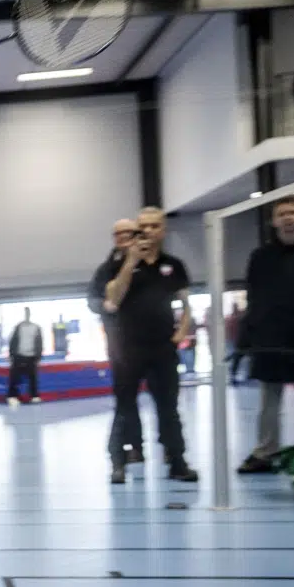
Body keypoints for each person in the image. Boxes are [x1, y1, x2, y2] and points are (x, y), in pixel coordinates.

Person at [101, 207, 197, 484]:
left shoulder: (173, 265)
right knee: (124, 407)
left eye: (154, 226)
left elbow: (186, 304)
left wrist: (181, 332)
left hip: (162, 348)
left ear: (163, 230)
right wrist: (131, 261)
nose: (148, 231)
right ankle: (118, 463)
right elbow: (112, 300)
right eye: (142, 227)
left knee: (169, 407)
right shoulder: (118, 263)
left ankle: (177, 461)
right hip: (127, 349)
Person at [237, 196, 294, 474]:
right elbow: (253, 298)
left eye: (293, 212)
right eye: (282, 214)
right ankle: (265, 453)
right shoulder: (260, 257)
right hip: (271, 340)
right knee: (269, 401)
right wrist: (247, 339)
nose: (288, 218)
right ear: (274, 222)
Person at [89, 218, 143, 461]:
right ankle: (131, 447)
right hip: (120, 345)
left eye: (127, 233)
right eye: (117, 234)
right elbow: (92, 299)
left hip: (151, 343)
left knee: (165, 400)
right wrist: (104, 305)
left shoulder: (149, 264)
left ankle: (171, 451)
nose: (122, 238)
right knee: (125, 398)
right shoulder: (105, 270)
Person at [7, 308, 44, 406]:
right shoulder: (18, 327)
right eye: (25, 314)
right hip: (18, 355)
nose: (27, 315)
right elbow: (12, 341)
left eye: (28, 313)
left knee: (33, 377)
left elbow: (39, 342)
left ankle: (34, 396)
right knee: (14, 377)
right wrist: (11, 355)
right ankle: (12, 396)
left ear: (30, 315)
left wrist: (39, 356)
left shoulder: (36, 327)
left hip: (31, 356)